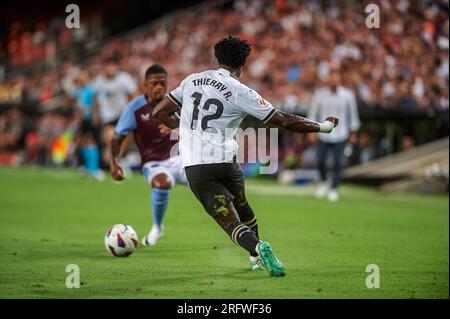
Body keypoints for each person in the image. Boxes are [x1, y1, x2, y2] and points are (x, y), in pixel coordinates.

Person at [153, 36, 339, 277]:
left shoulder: (192, 81)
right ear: (243, 65)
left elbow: (160, 111)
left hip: (198, 167)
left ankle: (258, 248)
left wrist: (183, 128)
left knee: (230, 222)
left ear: (217, 57)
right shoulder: (241, 91)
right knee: (243, 207)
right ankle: (256, 258)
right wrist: (323, 126)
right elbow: (284, 120)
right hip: (227, 163)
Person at [110, 64, 187, 246]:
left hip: (182, 159)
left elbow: (197, 128)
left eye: (162, 83)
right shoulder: (135, 108)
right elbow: (116, 137)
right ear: (145, 85)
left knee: (209, 185)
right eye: (154, 83)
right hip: (154, 164)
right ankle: (157, 227)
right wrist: (115, 164)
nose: (159, 87)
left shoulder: (175, 104)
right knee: (162, 184)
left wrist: (177, 126)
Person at [308, 71, 360, 202]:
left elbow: (353, 115)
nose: (333, 80)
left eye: (335, 77)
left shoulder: (348, 96)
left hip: (341, 134)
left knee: (338, 162)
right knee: (320, 160)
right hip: (323, 133)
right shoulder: (319, 95)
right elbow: (313, 113)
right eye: (331, 77)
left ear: (340, 79)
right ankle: (324, 181)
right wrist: (312, 131)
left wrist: (353, 133)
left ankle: (334, 188)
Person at [94, 57, 138, 167]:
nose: (110, 69)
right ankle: (113, 160)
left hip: (122, 114)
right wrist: (96, 113)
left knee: (126, 138)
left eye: (112, 66)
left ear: (117, 67)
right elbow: (95, 97)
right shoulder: (100, 81)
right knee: (111, 138)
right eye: (108, 66)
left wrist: (133, 110)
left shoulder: (124, 79)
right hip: (107, 116)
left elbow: (134, 93)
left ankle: (117, 159)